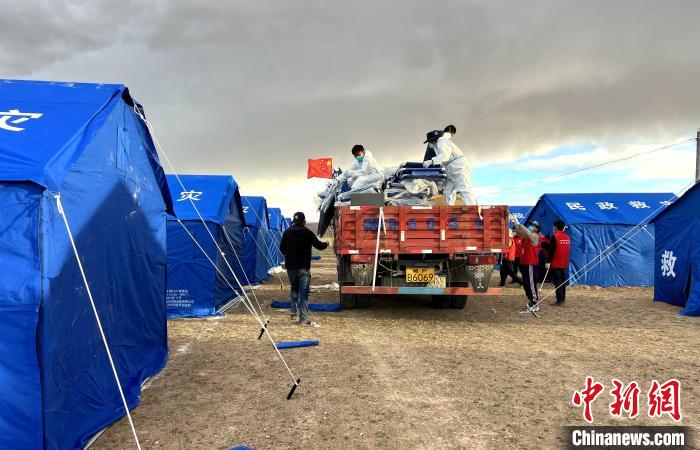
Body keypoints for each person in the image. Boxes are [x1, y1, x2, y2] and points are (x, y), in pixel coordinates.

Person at [279, 212, 329, 325]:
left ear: (293, 221)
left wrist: (289, 255)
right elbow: (319, 246)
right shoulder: (307, 233)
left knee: (294, 287)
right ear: (304, 221)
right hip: (303, 267)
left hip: (291, 266)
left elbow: (281, 248)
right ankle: (303, 319)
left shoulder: (287, 233)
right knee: (304, 292)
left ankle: (293, 310)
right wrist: (326, 244)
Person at [423, 124, 476, 205]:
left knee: (464, 188)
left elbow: (445, 155)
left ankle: (472, 208)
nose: (430, 143)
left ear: (434, 139)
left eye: (430, 141)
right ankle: (449, 209)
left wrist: (431, 161)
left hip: (458, 166)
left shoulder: (441, 141)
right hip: (450, 167)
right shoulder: (439, 143)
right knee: (448, 190)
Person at [512, 218, 543, 312]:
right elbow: (521, 233)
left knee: (531, 284)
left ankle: (535, 303)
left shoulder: (536, 236)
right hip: (525, 263)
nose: (530, 227)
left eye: (532, 226)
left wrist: (519, 225)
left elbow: (526, 232)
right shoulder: (528, 237)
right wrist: (516, 225)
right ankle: (531, 301)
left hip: (531, 263)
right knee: (526, 284)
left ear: (536, 229)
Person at [547, 220, 571, 305]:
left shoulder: (555, 236)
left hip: (556, 263)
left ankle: (559, 300)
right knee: (563, 282)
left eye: (554, 226)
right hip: (564, 263)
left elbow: (551, 250)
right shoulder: (567, 237)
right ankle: (562, 298)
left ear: (556, 227)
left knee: (558, 282)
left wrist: (548, 261)